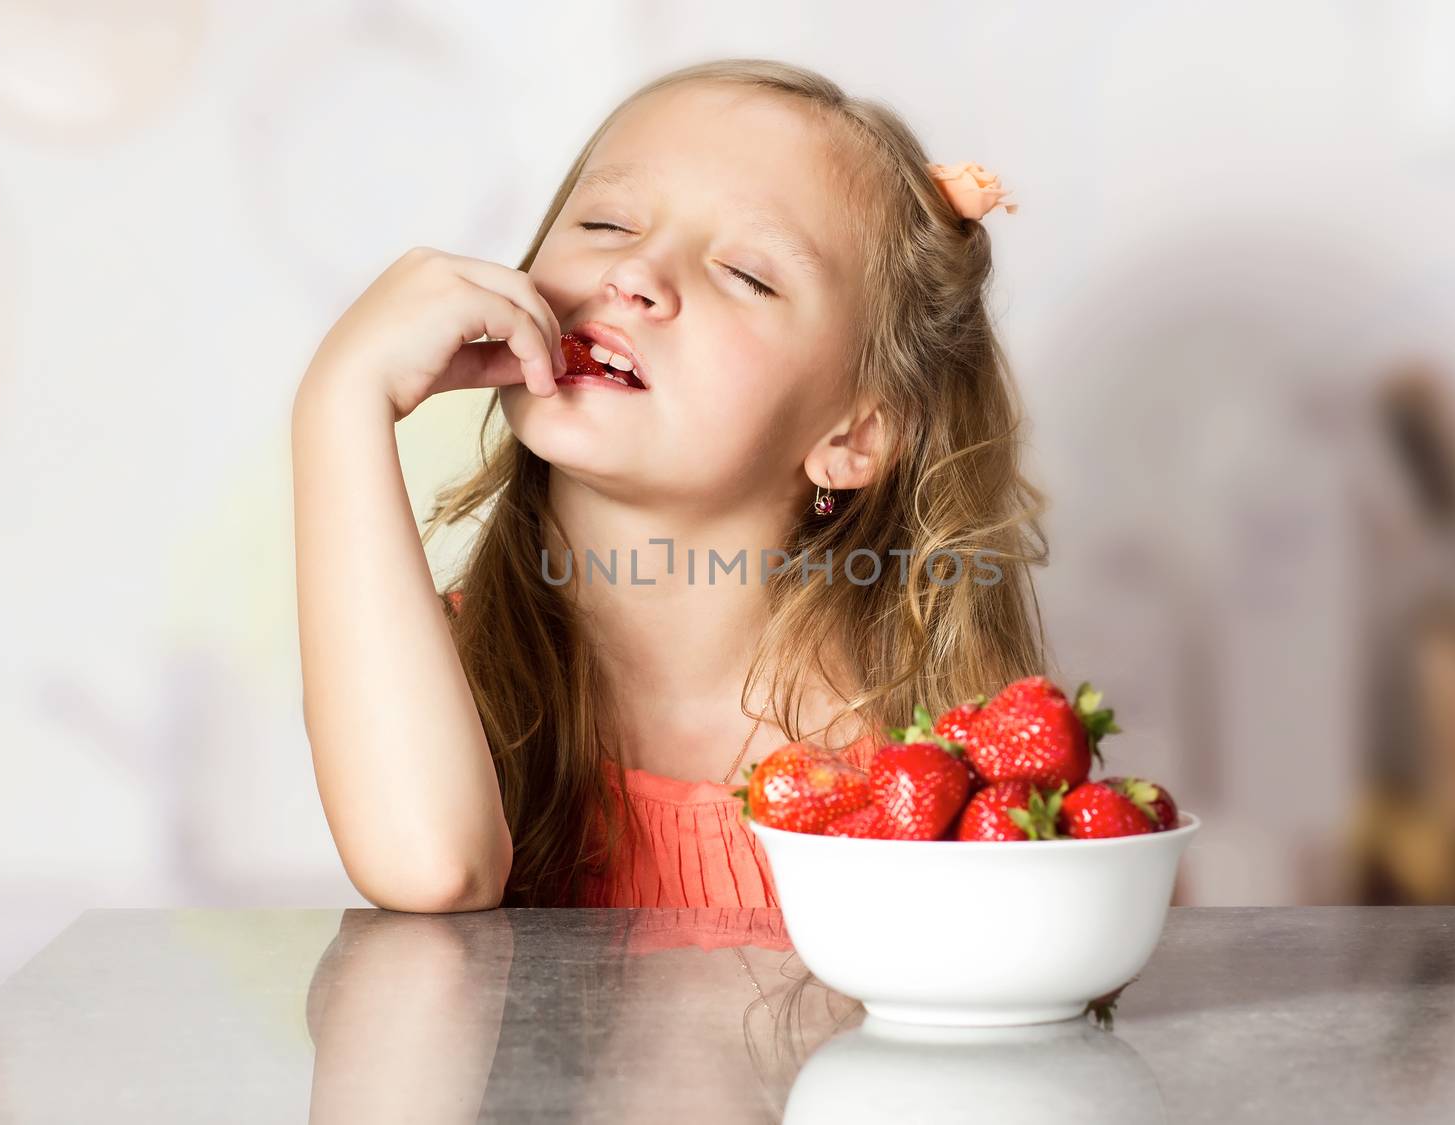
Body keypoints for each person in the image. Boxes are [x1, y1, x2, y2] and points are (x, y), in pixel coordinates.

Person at [291, 58, 1048, 911]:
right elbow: (436, 867)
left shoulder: (933, 762)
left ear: (854, 434)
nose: (636, 275)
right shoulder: (418, 661)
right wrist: (341, 400)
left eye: (747, 274)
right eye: (607, 223)